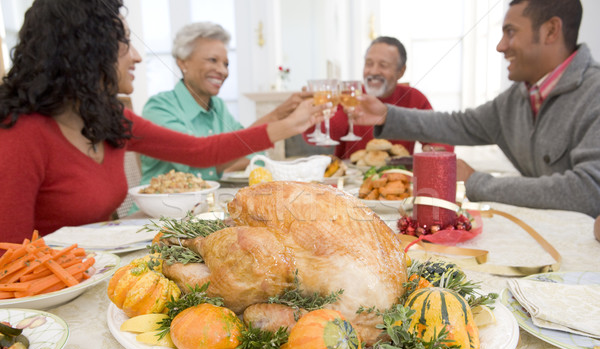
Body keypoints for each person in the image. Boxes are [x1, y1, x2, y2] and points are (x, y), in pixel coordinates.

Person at [0, 0, 325, 243]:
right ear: (85, 50)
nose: (138, 57)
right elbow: (8, 263)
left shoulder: (112, 119)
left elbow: (200, 151)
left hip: (100, 270)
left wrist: (286, 122)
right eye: (125, 44)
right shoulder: (20, 135)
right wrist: (287, 125)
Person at [354, 0, 600, 217]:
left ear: (551, 31)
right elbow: (458, 124)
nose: (501, 46)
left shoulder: (594, 93)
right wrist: (386, 115)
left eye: (510, 32)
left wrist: (476, 181)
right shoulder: (517, 98)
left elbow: (588, 192)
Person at [141, 22, 312, 182]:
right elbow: (199, 165)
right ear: (183, 62)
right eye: (212, 60)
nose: (223, 71)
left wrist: (281, 113)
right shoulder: (159, 108)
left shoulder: (218, 107)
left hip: (204, 207)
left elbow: (252, 151)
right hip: (156, 212)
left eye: (226, 64)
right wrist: (278, 120)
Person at [304, 36, 452, 159]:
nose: (373, 71)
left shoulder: (414, 98)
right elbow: (322, 135)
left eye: (383, 65)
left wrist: (434, 151)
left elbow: (440, 138)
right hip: (350, 184)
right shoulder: (350, 96)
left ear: (401, 71)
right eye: (369, 63)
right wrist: (308, 114)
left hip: (399, 178)